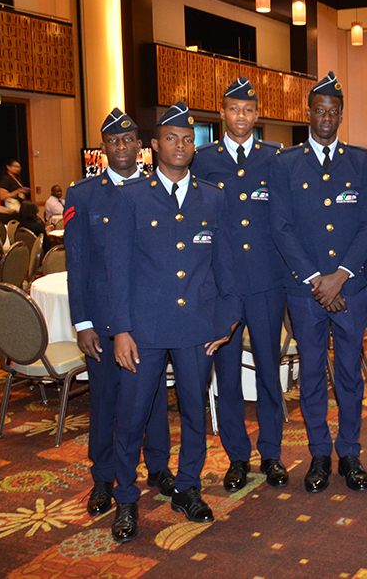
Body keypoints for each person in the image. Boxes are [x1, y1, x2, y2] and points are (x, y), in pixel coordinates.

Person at [107, 102, 240, 542]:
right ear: (154, 145)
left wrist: (228, 319)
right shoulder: (130, 197)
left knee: (194, 412)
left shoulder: (213, 197)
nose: (180, 146)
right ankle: (126, 498)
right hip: (143, 330)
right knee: (132, 416)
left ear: (194, 147)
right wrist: (120, 330)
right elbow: (117, 270)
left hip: (197, 327)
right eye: (171, 138)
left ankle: (187, 487)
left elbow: (224, 264)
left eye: (187, 139)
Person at [270, 72, 367, 494]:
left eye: (334, 112)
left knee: (350, 373)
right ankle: (319, 453)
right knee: (312, 373)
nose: (327, 118)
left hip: (351, 289)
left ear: (341, 115)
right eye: (320, 111)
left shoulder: (361, 161)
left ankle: (349, 451)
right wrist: (318, 280)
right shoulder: (286, 163)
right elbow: (281, 227)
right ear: (309, 113)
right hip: (306, 290)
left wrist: (342, 275)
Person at [64, 108, 174, 520]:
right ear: (104, 148)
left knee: (154, 397)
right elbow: (76, 262)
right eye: (113, 141)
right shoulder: (83, 195)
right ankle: (103, 476)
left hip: (149, 317)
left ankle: (158, 467)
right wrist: (83, 323)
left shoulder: (157, 189)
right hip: (104, 320)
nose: (121, 146)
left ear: (140, 147)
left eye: (128, 140)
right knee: (106, 398)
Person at [190, 76, 290, 491]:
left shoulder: (274, 158)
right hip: (222, 288)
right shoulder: (203, 160)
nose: (241, 116)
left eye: (248, 110)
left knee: (269, 372)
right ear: (222, 114)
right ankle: (237, 457)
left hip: (266, 283)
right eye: (234, 109)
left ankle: (272, 453)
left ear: (257, 114)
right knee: (227, 376)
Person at [0, 159, 30, 223]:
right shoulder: (5, 179)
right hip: (7, 212)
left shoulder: (18, 179)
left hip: (17, 211)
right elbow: (2, 196)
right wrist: (18, 191)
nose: (18, 169)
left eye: (19, 167)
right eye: (16, 166)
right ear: (8, 167)